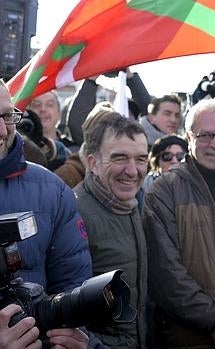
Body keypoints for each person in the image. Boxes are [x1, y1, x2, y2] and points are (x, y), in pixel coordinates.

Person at [142, 98, 215, 348]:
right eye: (205, 135)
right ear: (188, 136)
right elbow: (165, 272)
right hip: (187, 336)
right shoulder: (165, 190)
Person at [0, 80, 93, 348]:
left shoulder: (52, 190)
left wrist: (69, 335)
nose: (2, 129)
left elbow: (73, 287)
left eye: (7, 115)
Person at [75, 112, 149, 348]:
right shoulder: (73, 213)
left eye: (141, 159)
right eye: (119, 158)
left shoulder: (135, 204)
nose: (132, 170)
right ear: (93, 163)